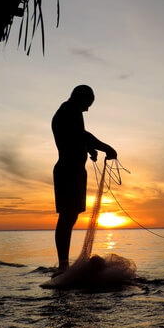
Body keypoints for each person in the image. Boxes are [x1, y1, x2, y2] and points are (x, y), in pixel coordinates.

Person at [52, 85, 117, 275]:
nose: (88, 109)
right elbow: (82, 135)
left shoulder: (69, 112)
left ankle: (63, 263)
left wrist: (89, 149)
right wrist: (107, 148)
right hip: (68, 171)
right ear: (81, 98)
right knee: (67, 217)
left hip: (74, 171)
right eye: (88, 104)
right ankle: (63, 264)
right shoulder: (69, 110)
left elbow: (73, 136)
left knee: (70, 216)